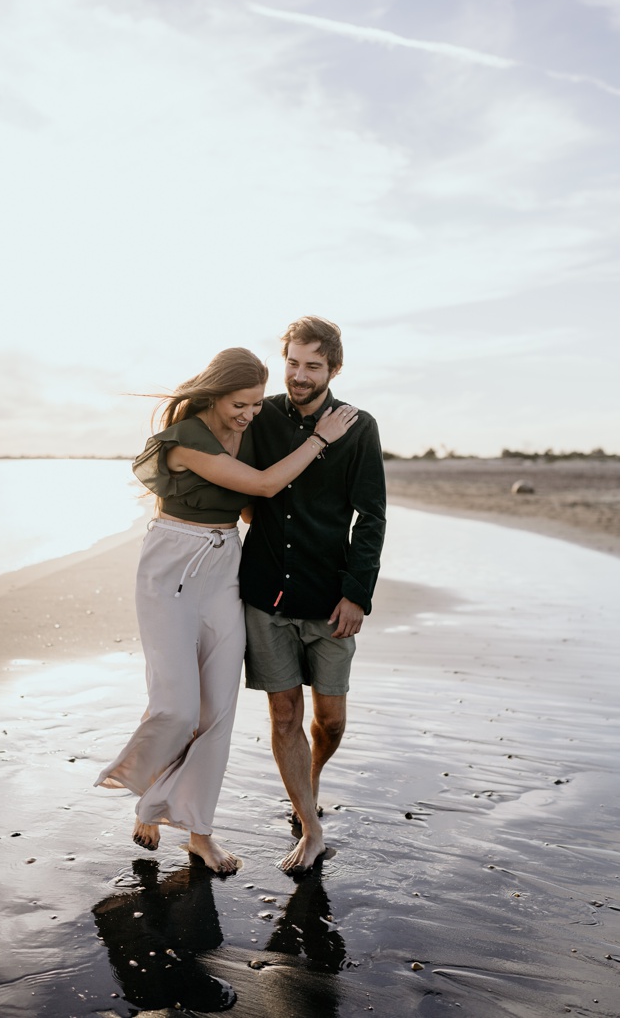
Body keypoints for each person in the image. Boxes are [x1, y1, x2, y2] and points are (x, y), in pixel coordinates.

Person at [96, 348, 357, 874]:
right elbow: (261, 486)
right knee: (176, 706)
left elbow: (250, 508)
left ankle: (200, 835)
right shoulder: (189, 435)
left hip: (225, 566)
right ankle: (149, 791)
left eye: (258, 404)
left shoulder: (250, 432)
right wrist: (320, 439)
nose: (249, 413)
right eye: (240, 404)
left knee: (217, 711)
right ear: (215, 395)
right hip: (171, 565)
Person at [238, 316, 387, 874]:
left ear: (334, 369)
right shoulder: (263, 416)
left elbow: (370, 517)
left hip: (330, 599)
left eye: (313, 367)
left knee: (332, 721)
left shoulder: (358, 426)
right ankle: (309, 820)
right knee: (283, 715)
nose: (299, 377)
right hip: (265, 595)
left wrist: (357, 595)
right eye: (293, 364)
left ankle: (312, 776)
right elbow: (246, 486)